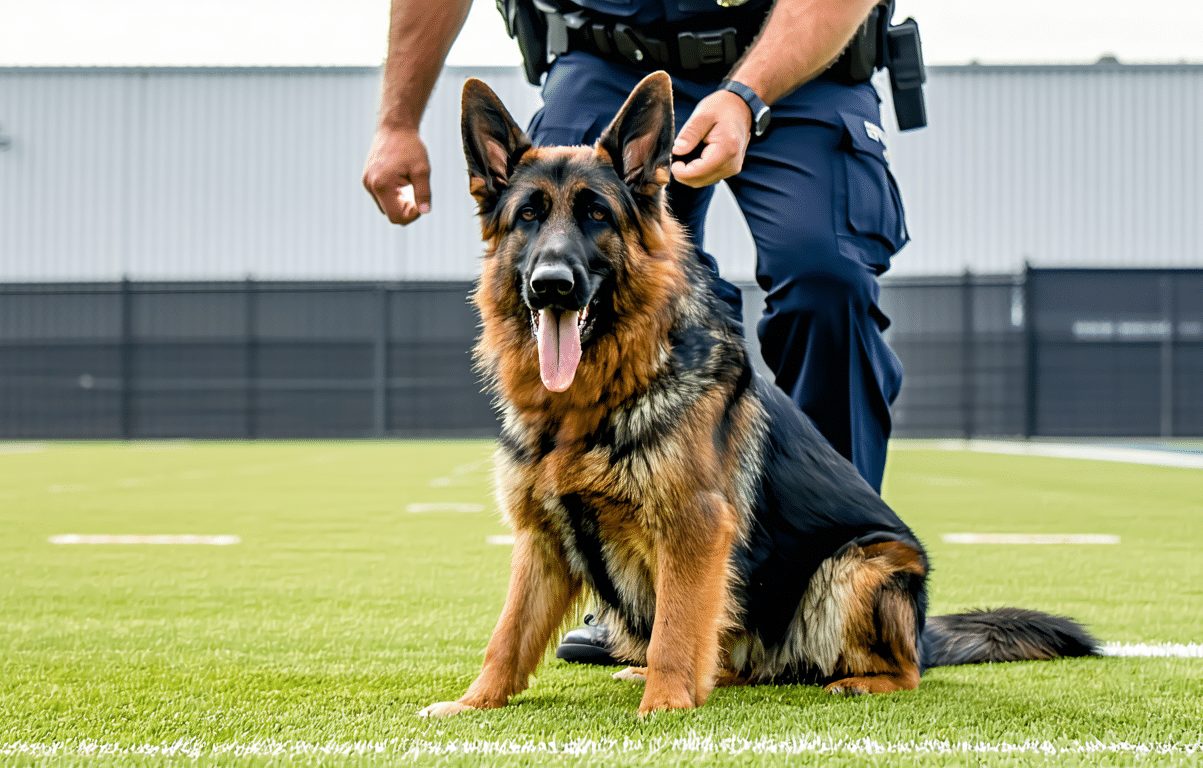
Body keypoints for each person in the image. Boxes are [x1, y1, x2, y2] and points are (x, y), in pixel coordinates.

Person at [363, 0, 912, 665]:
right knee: (600, 273)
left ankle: (818, 583)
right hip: (606, 55)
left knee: (826, 281)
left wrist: (745, 92)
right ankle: (632, 587)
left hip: (799, 57)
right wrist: (398, 120)